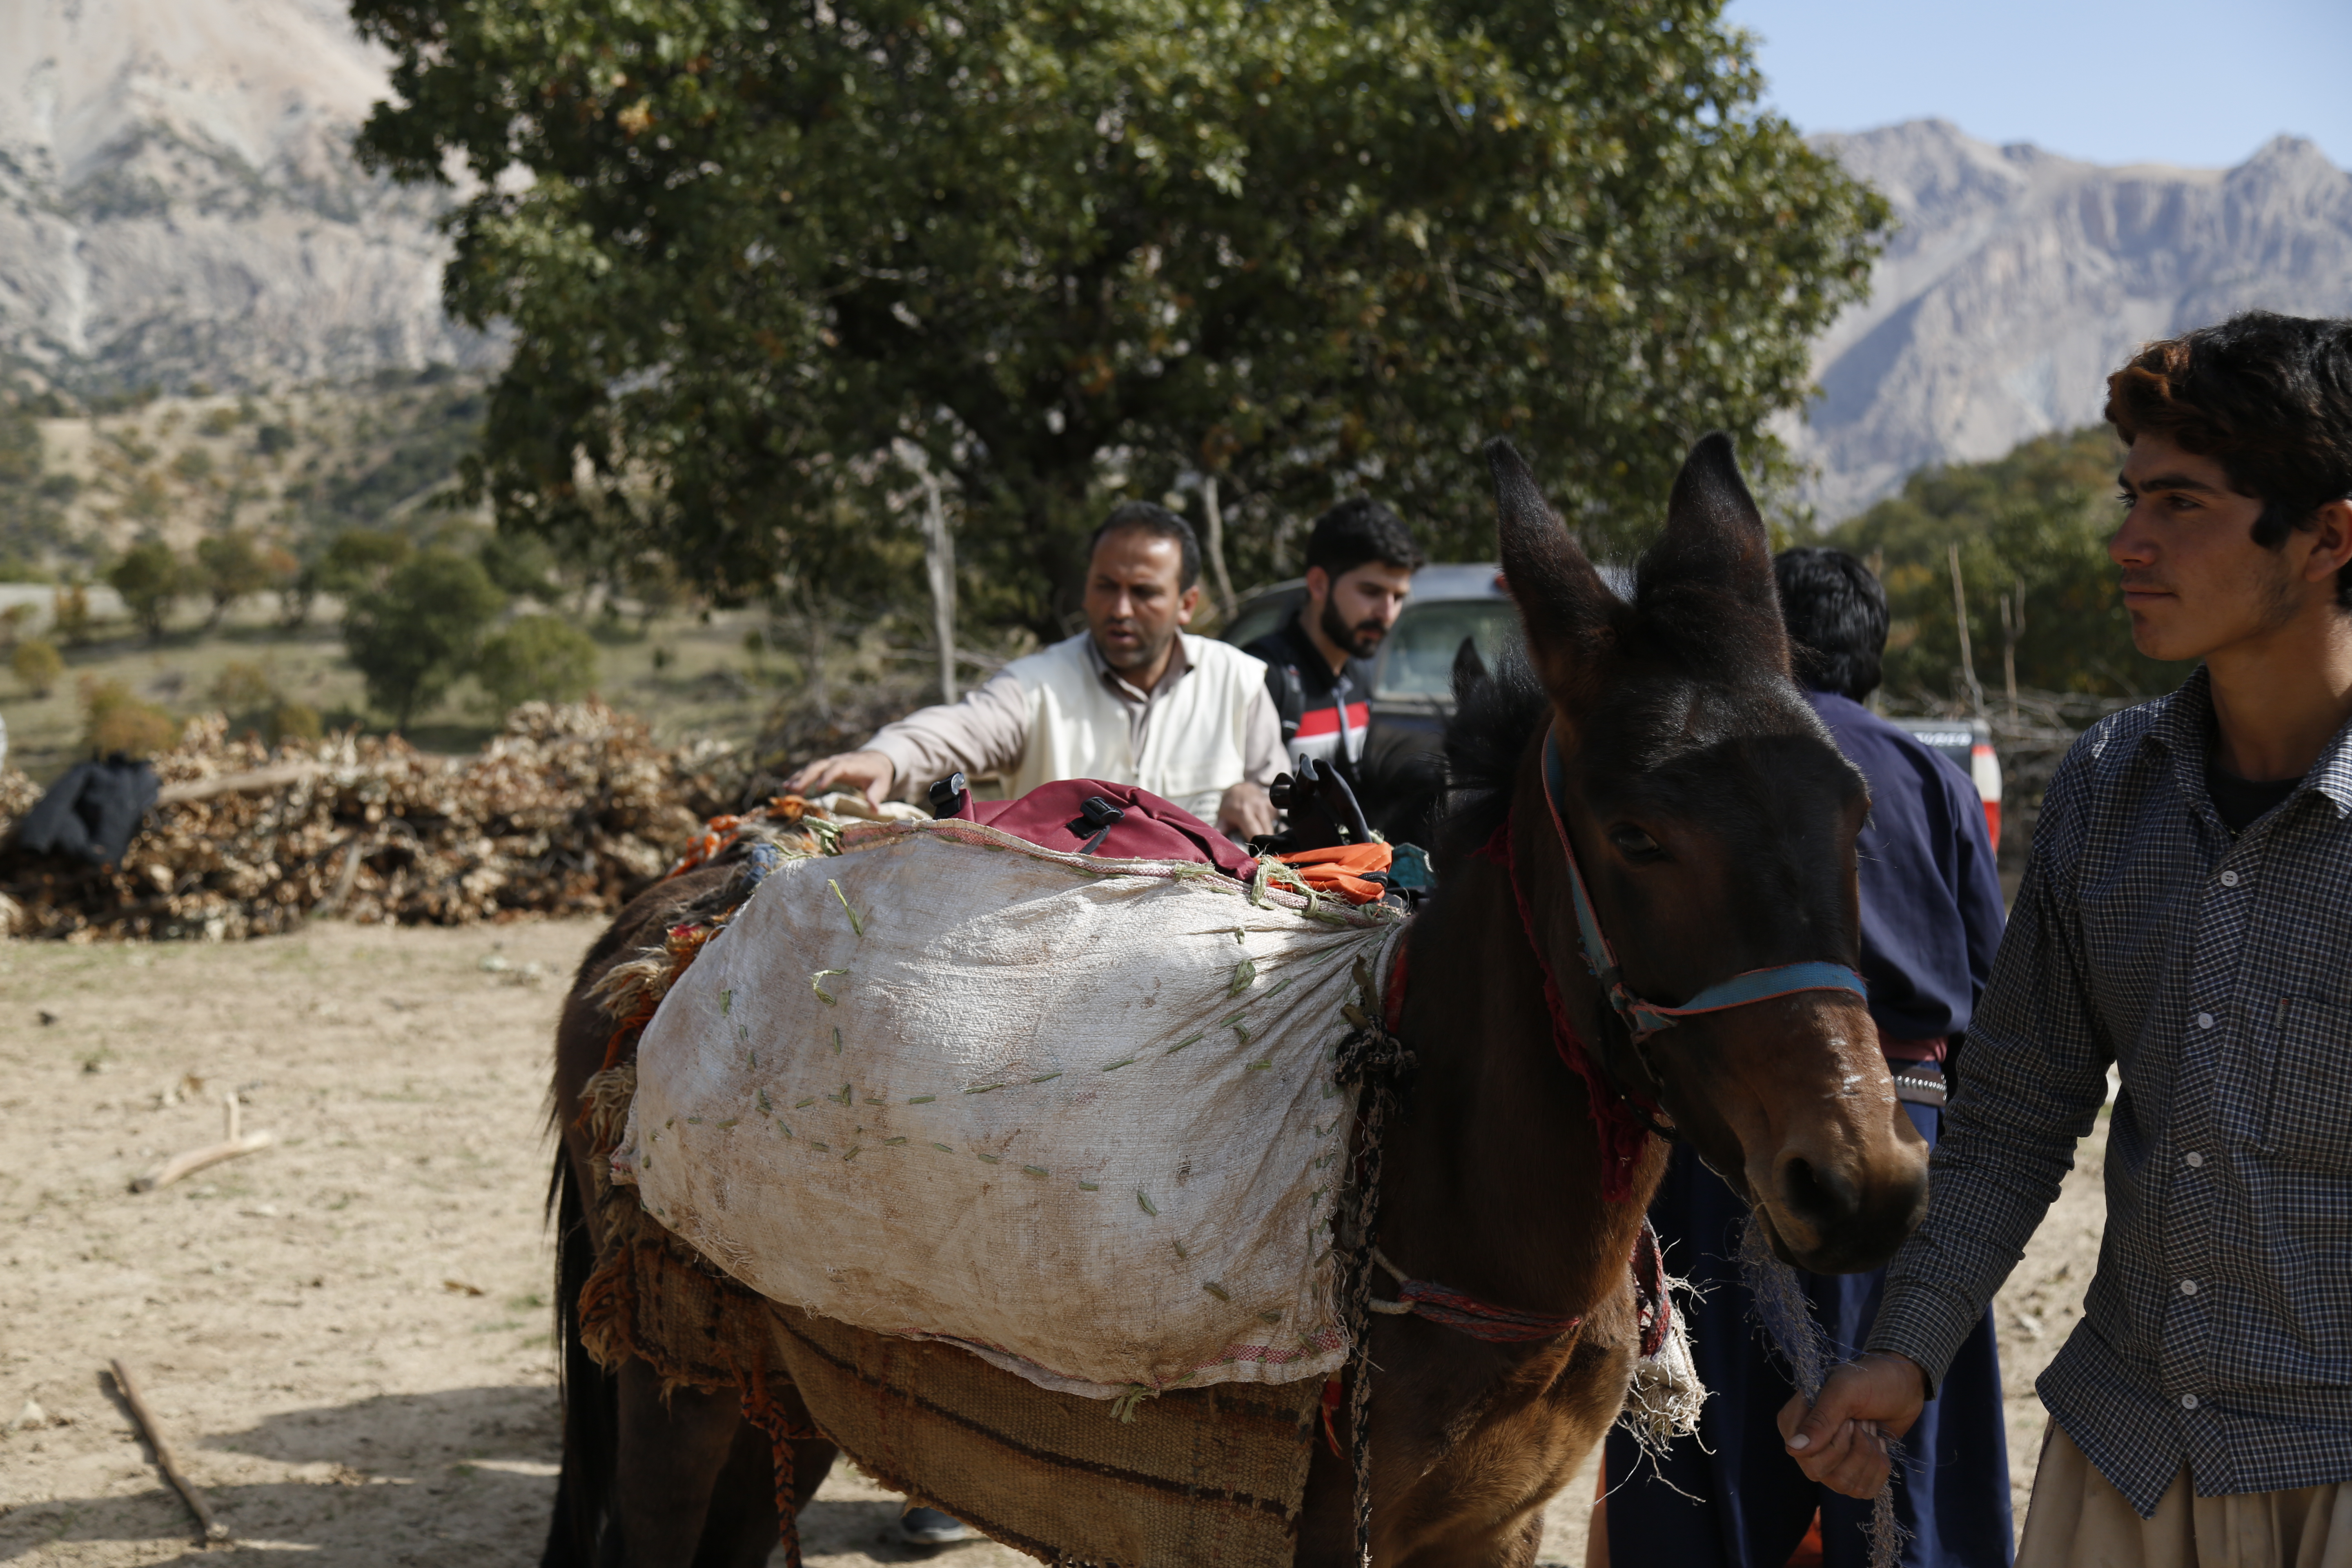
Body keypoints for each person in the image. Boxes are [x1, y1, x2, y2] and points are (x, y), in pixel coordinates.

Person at [1780, 311, 2352, 1566]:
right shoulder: (2107, 786)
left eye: (2182, 504)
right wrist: (1905, 1347)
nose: (2128, 542)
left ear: (2330, 535)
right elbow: (2016, 1112)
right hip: (2127, 1464)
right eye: (2131, 495)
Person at [1596, 547, 2012, 1568]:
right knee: (1904, 1418)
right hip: (1908, 1135)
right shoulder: (1933, 777)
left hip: (1737, 1135)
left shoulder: (1718, 772)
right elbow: (1989, 994)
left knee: (1706, 1447)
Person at [788, 500, 1280, 840]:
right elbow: (960, 729)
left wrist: (1254, 799)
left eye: (1145, 592)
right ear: (1085, 589)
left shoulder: (1239, 684)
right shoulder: (1037, 686)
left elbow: (1283, 814)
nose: (1121, 609)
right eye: (1106, 586)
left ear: (1186, 603)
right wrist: (886, 759)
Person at [1241, 499, 1421, 778]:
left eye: (1398, 597)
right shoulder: (1262, 676)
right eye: (1371, 591)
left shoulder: (1357, 676)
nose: (1387, 613)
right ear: (1319, 584)